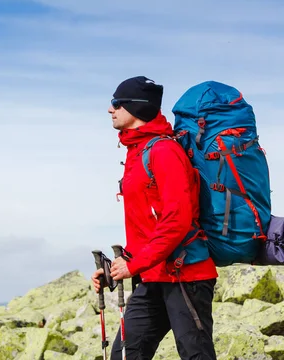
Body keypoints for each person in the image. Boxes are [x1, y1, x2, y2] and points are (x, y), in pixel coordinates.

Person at [92, 76, 218, 360]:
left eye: (116, 103)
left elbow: (177, 219)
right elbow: (148, 223)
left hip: (185, 274)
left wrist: (134, 264)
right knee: (126, 355)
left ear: (136, 108)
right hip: (153, 275)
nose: (110, 110)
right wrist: (118, 266)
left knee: (196, 355)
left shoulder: (163, 151)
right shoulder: (138, 151)